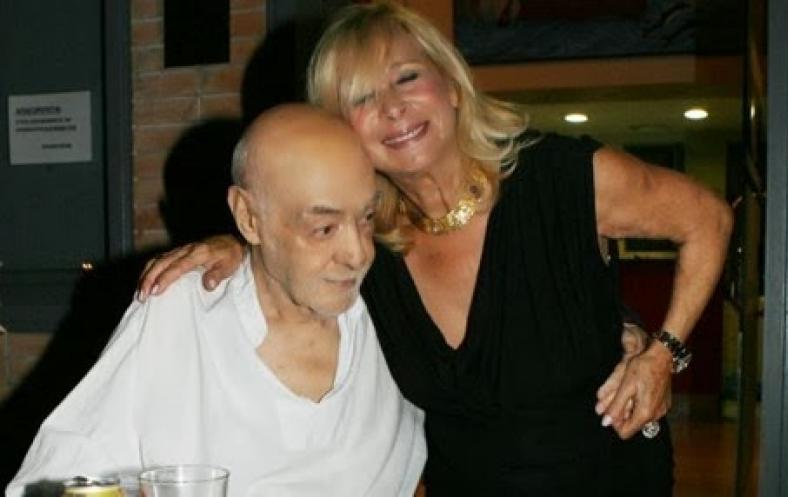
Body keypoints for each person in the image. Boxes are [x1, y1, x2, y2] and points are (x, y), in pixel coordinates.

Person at [138, 2, 733, 495]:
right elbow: (292, 258)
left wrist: (664, 353)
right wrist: (238, 245)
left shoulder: (564, 179)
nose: (392, 108)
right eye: (361, 99)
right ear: (341, 133)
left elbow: (707, 219)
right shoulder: (367, 248)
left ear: (450, 84)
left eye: (406, 78)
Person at [7, 105, 426, 497]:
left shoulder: (390, 306)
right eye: (324, 228)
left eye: (366, 218)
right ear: (248, 217)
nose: (358, 253)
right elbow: (59, 478)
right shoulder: (180, 313)